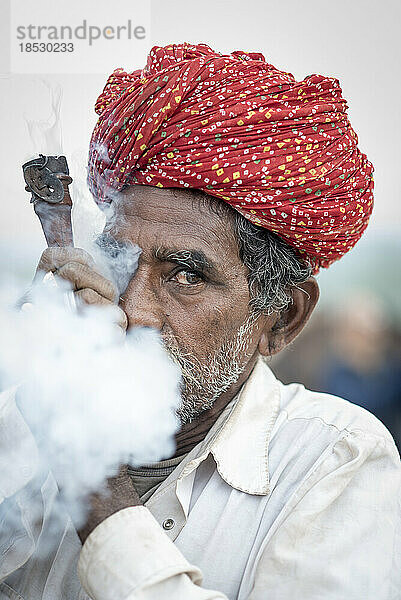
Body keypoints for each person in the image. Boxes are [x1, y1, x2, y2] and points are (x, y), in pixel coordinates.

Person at [1, 43, 400, 600]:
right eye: (119, 261)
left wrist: (104, 502)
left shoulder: (334, 460)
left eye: (186, 276)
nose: (132, 309)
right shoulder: (25, 417)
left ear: (281, 320)